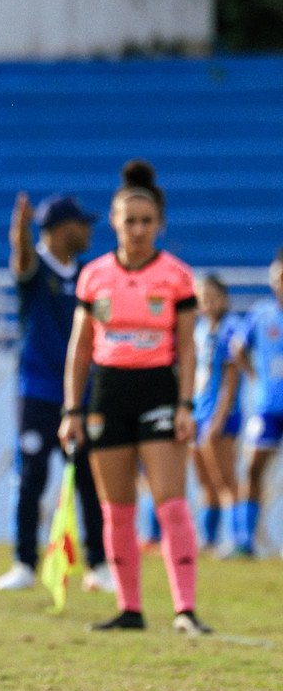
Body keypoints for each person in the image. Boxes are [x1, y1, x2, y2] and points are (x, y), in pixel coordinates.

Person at [58, 160, 209, 635]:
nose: (139, 230)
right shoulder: (94, 276)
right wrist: (72, 410)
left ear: (159, 224)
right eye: (130, 221)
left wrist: (186, 405)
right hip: (107, 394)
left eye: (147, 221)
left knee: (171, 503)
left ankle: (185, 610)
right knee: (116, 509)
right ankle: (130, 610)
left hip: (159, 391)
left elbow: (188, 347)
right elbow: (81, 347)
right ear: (115, 222)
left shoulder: (177, 276)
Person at [0, 192, 111, 594]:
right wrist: (19, 231)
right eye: (82, 224)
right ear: (61, 229)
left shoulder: (90, 275)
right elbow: (22, 260)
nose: (89, 232)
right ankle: (24, 563)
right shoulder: (37, 269)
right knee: (32, 478)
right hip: (38, 391)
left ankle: (99, 565)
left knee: (90, 481)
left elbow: (101, 328)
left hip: (83, 393)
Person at [230, 247, 283, 557]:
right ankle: (244, 540)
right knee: (252, 468)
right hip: (268, 408)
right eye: (277, 278)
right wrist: (254, 376)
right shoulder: (262, 314)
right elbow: (237, 347)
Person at [189, 273, 245, 552]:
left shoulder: (231, 328)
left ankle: (237, 539)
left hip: (221, 415)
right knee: (205, 479)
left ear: (224, 298)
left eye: (212, 297)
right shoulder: (200, 330)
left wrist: (219, 418)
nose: (207, 303)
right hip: (199, 413)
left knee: (225, 477)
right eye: (202, 298)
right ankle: (209, 539)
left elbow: (231, 378)